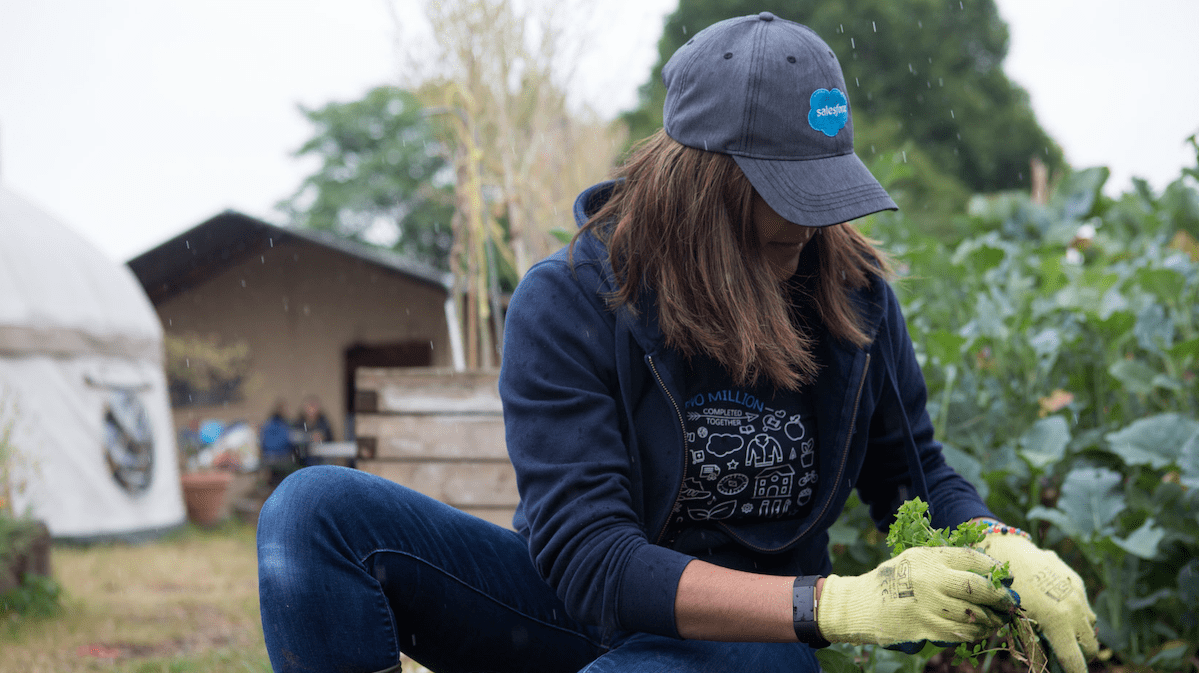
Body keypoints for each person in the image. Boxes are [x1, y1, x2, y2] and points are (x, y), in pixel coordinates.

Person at [256, 13, 1099, 673]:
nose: (810, 227)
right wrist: (831, 604)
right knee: (314, 512)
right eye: (785, 194)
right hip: (577, 624)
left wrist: (998, 546)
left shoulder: (852, 293)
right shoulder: (573, 299)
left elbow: (913, 474)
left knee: (734, 655)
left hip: (752, 647)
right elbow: (590, 559)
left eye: (825, 190)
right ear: (703, 186)